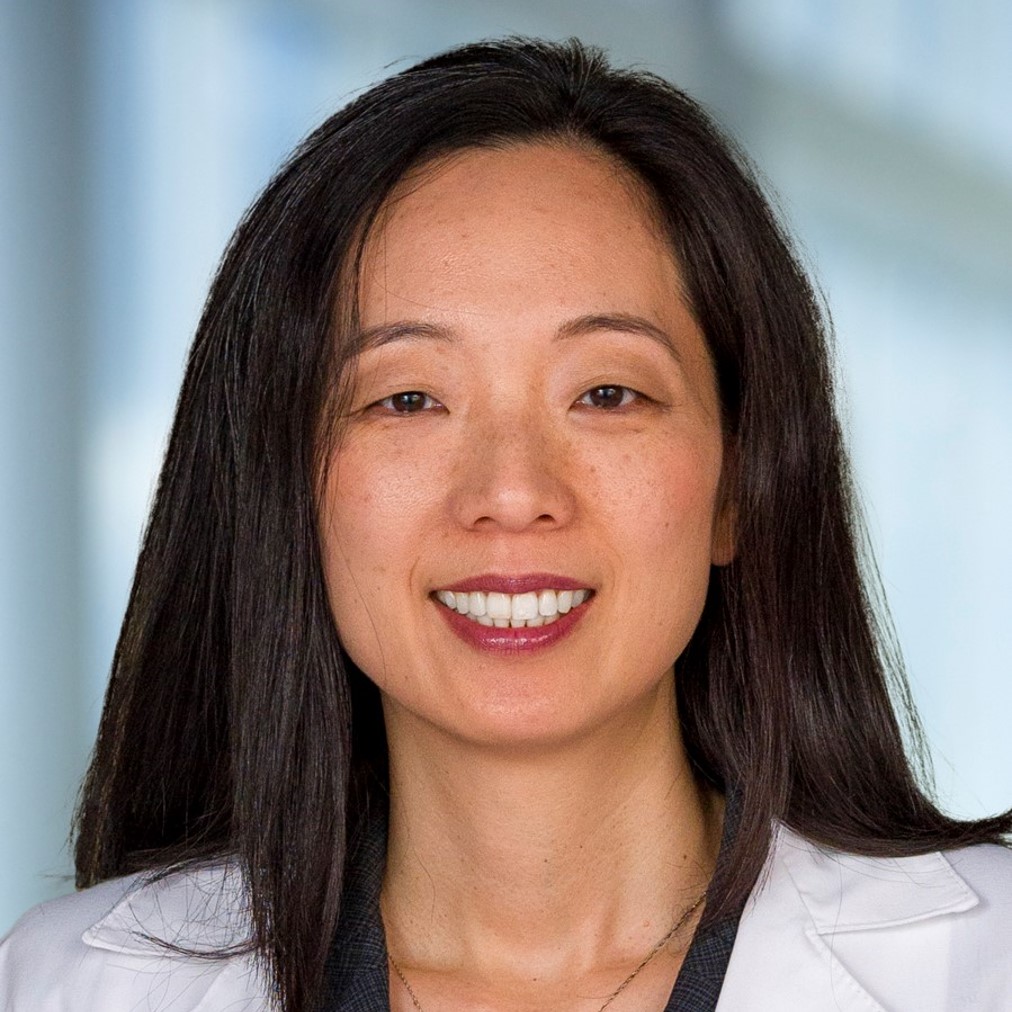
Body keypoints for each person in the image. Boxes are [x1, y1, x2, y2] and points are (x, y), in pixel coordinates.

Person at [1, 36, 1010, 1012]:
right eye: (406, 399)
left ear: (738, 484)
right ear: (286, 493)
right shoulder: (65, 989)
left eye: (607, 392)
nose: (513, 490)